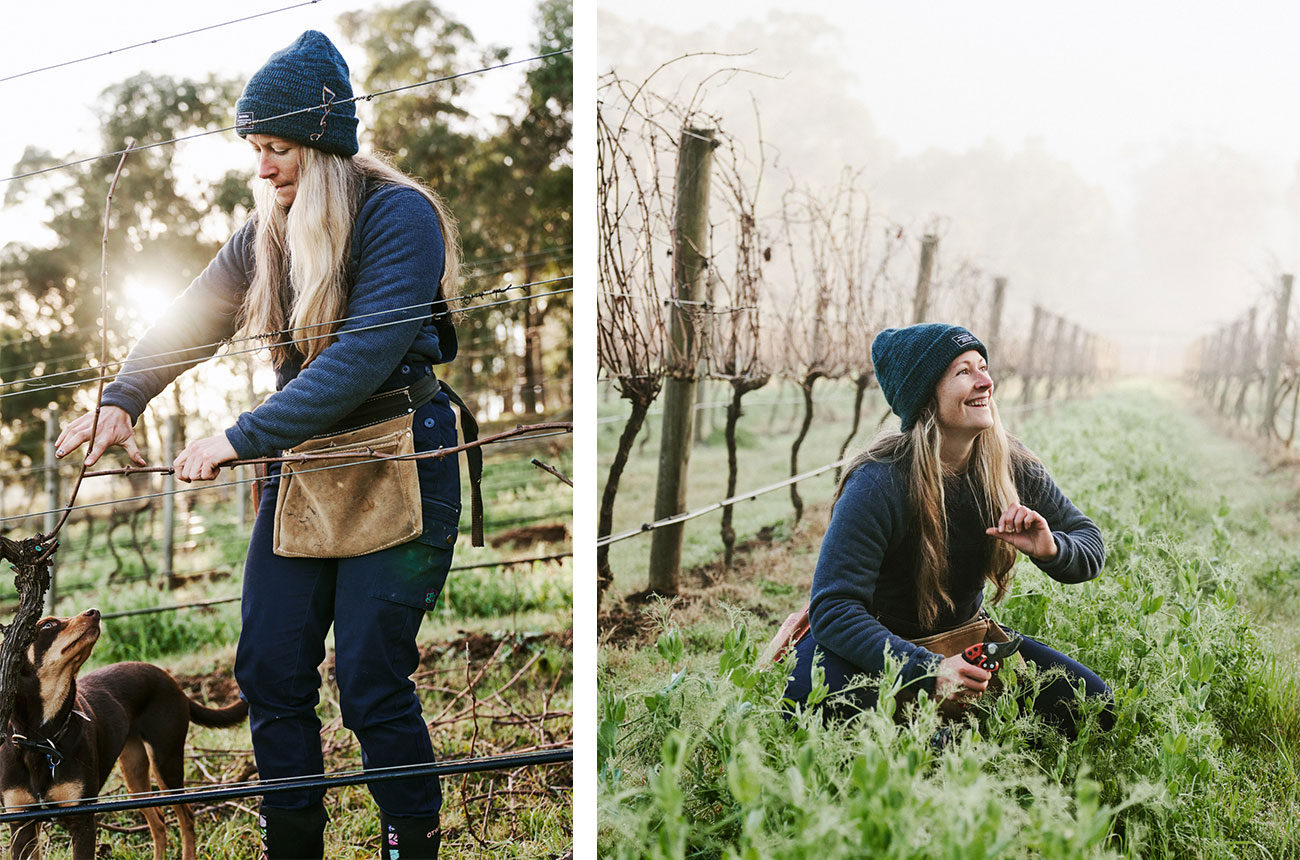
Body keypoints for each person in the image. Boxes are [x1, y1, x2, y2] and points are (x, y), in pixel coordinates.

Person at [55, 31, 462, 860]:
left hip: (401, 458)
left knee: (371, 680)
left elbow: (360, 360)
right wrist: (122, 401)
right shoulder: (265, 232)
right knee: (272, 670)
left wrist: (240, 435)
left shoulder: (400, 216)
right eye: (256, 151)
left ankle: (408, 846)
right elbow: (193, 316)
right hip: (305, 472)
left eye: (278, 149)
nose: (265, 168)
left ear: (325, 147)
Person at [781, 323, 1110, 735]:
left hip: (962, 639)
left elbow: (1089, 543)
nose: (985, 381)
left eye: (983, 367)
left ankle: (940, 725)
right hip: (873, 650)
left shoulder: (1010, 463)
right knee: (825, 706)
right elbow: (834, 609)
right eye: (963, 372)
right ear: (925, 397)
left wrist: (1052, 549)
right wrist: (928, 669)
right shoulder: (878, 482)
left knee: (1093, 704)